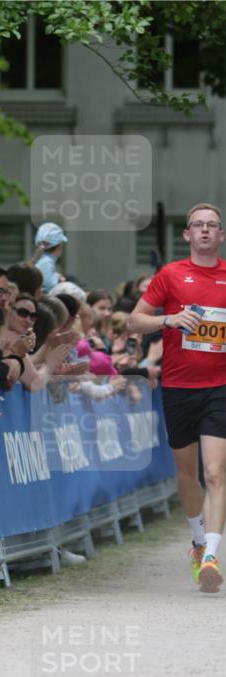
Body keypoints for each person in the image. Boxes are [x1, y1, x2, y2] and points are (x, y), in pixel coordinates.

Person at [130, 202, 226, 592]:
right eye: (198, 225)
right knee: (187, 475)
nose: (205, 230)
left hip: (220, 387)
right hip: (179, 387)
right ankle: (198, 541)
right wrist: (167, 319)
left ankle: (213, 556)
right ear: (187, 235)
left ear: (220, 235)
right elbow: (134, 320)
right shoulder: (170, 275)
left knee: (215, 473)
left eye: (212, 225)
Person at [29, 222, 67, 293]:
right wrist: (60, 280)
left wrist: (56, 276)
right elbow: (49, 289)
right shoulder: (46, 262)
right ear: (59, 245)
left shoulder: (43, 260)